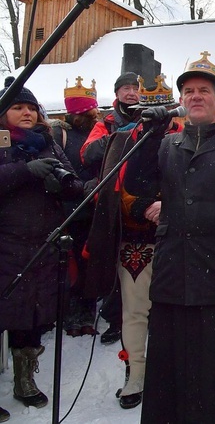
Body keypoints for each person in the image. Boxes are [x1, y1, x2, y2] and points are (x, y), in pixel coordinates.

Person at [123, 51, 215, 422]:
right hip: (176, 272)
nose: (195, 96)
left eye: (204, 90)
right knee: (176, 364)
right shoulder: (166, 144)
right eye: (188, 90)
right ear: (180, 100)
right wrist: (148, 131)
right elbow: (137, 183)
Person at [84, 75, 182, 410]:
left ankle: (171, 372)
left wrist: (170, 205)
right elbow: (112, 192)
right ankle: (135, 373)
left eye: (163, 108)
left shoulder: (186, 138)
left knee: (176, 311)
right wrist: (141, 206)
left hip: (181, 239)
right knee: (135, 312)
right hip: (136, 239)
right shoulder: (123, 140)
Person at [0, 78, 83, 420]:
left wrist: (60, 184)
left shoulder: (48, 141)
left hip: (41, 243)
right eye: (18, 107)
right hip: (5, 242)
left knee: (29, 316)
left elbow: (74, 183)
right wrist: (23, 171)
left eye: (31, 107)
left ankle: (24, 382)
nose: (26, 113)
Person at [80, 70, 142, 346]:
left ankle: (141, 316)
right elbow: (88, 154)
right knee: (113, 258)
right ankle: (115, 319)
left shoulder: (151, 116)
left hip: (144, 197)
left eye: (135, 88)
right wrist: (118, 137)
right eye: (125, 88)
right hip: (113, 200)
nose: (131, 92)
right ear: (117, 93)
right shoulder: (107, 121)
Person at [50, 77, 99, 338]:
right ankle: (69, 314)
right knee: (68, 266)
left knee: (87, 264)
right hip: (67, 210)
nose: (89, 116)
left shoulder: (99, 133)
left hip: (90, 210)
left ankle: (86, 313)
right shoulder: (60, 133)